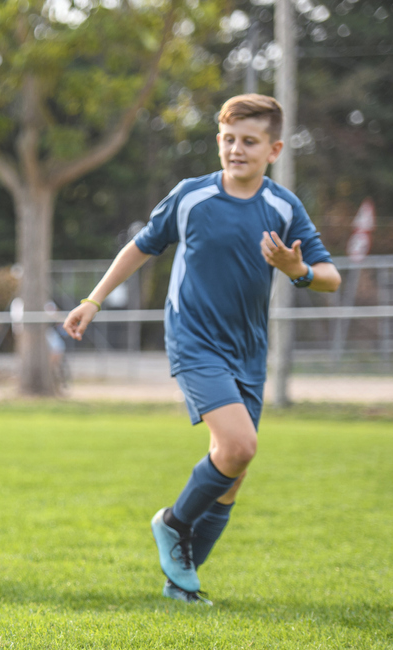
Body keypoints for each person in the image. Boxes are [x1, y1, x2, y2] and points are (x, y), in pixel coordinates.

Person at [63, 94, 340, 604]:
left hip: (248, 351)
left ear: (274, 149)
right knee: (239, 447)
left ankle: (181, 584)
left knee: (232, 473)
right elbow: (140, 247)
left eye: (249, 141)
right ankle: (172, 523)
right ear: (218, 141)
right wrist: (92, 301)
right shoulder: (191, 196)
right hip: (193, 340)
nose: (237, 149)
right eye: (229, 139)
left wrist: (297, 270)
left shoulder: (283, 207)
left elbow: (330, 276)